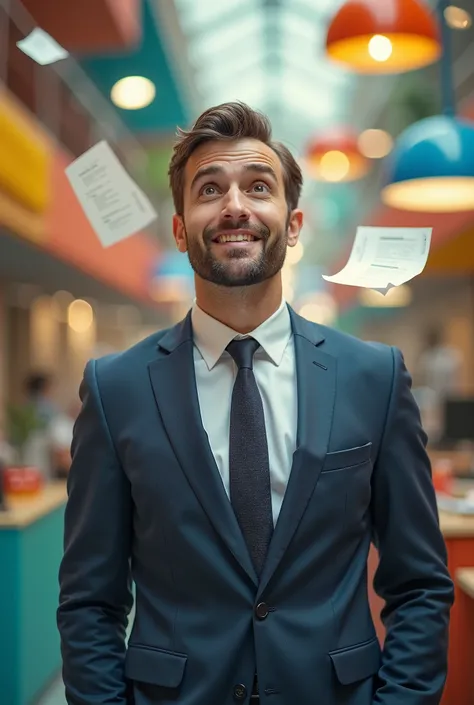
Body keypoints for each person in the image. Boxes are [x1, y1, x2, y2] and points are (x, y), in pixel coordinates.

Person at [58, 102, 454, 705]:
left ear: (293, 225)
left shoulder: (374, 377)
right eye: (209, 189)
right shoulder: (117, 389)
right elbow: (91, 600)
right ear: (180, 227)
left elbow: (420, 584)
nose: (235, 206)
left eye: (258, 187)